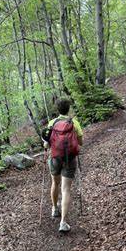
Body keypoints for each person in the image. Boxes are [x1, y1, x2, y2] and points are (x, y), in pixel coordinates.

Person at [44, 98, 83, 232]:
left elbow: (46, 143)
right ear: (69, 109)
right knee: (65, 189)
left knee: (55, 183)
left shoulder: (51, 123)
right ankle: (63, 222)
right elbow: (81, 142)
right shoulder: (74, 123)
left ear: (57, 109)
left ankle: (54, 209)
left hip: (55, 157)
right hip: (70, 158)